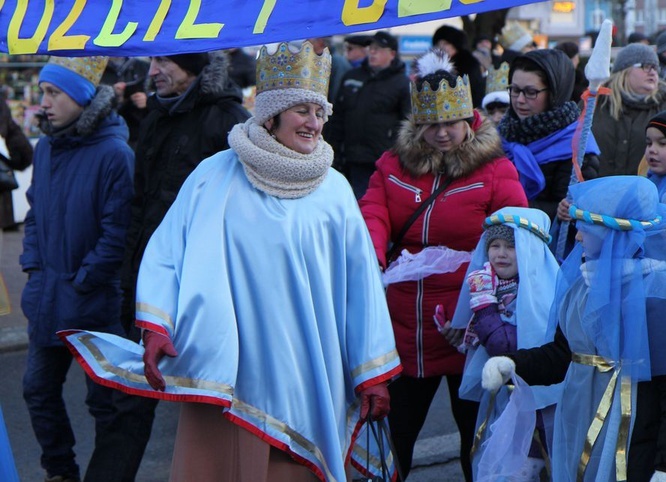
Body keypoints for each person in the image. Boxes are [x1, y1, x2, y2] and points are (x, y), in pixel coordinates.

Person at [62, 40, 401, 482]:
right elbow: (169, 251)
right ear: (271, 114)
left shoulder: (335, 190)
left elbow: (361, 286)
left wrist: (370, 369)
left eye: (319, 113)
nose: (313, 123)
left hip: (307, 367)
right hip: (228, 365)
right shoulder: (215, 175)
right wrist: (157, 324)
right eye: (302, 110)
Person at [359, 49, 528, 481]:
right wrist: (370, 256)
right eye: (431, 125)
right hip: (403, 325)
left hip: (468, 327)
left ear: (469, 121)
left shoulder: (495, 170)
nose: (441, 134)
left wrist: (474, 315)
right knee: (394, 437)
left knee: (476, 435)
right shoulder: (392, 165)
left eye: (450, 123)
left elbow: (513, 238)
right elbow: (373, 214)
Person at [482, 175, 666, 482]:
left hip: (633, 435)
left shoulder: (657, 294)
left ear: (611, 235)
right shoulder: (582, 288)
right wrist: (514, 363)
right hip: (582, 423)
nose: (577, 237)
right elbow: (565, 355)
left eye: (585, 229)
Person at [84, 51, 250, 482]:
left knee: (214, 403)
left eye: (164, 63)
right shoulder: (156, 115)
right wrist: (131, 275)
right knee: (130, 399)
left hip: (206, 290)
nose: (152, 73)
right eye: (152, 62)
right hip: (151, 285)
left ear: (193, 68)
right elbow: (139, 205)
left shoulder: (227, 118)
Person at [20, 56, 134, 482]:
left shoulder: (113, 153)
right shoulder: (47, 147)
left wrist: (84, 280)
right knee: (37, 391)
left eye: (54, 93)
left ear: (82, 97)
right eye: (44, 92)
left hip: (91, 302)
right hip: (47, 294)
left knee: (103, 402)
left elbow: (116, 232)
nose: (44, 102)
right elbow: (34, 215)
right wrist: (33, 267)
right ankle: (60, 471)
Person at [452, 207, 560, 481]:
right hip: (508, 395)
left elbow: (506, 345)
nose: (500, 253)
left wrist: (485, 307)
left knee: (544, 461)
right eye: (494, 245)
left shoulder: (537, 291)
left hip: (541, 403)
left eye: (511, 247)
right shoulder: (495, 284)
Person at [497, 49, 600, 222]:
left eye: (531, 92)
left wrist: (506, 208)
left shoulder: (576, 145)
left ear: (554, 93)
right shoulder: (501, 134)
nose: (520, 100)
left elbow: (573, 213)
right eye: (514, 90)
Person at [326, 31, 410, 198]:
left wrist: (400, 154)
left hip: (383, 158)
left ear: (391, 54)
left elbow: (407, 122)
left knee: (374, 202)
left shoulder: (401, 83)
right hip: (351, 157)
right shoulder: (352, 77)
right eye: (370, 48)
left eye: (378, 49)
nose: (372, 52)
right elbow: (337, 116)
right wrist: (332, 148)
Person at [591, 43, 666, 178]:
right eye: (645, 66)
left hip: (643, 194)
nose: (652, 72)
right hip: (595, 192)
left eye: (655, 67)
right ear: (624, 70)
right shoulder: (595, 104)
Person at [100, 57, 150, 150]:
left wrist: (146, 101)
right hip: (105, 134)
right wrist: (112, 96)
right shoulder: (98, 68)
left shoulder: (141, 66)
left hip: (136, 134)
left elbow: (156, 94)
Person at [0, 95, 33, 229]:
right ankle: (8, 222)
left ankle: (8, 222)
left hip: (13, 150)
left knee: (4, 183)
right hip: (14, 149)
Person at [432, 25, 485, 108]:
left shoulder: (468, 64)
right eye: (439, 44)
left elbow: (475, 92)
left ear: (455, 45)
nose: (442, 47)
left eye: (446, 43)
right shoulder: (435, 66)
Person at [308, 37, 350, 102]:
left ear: (320, 41)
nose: (305, 41)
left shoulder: (336, 62)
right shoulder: (318, 59)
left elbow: (335, 91)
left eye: (309, 38)